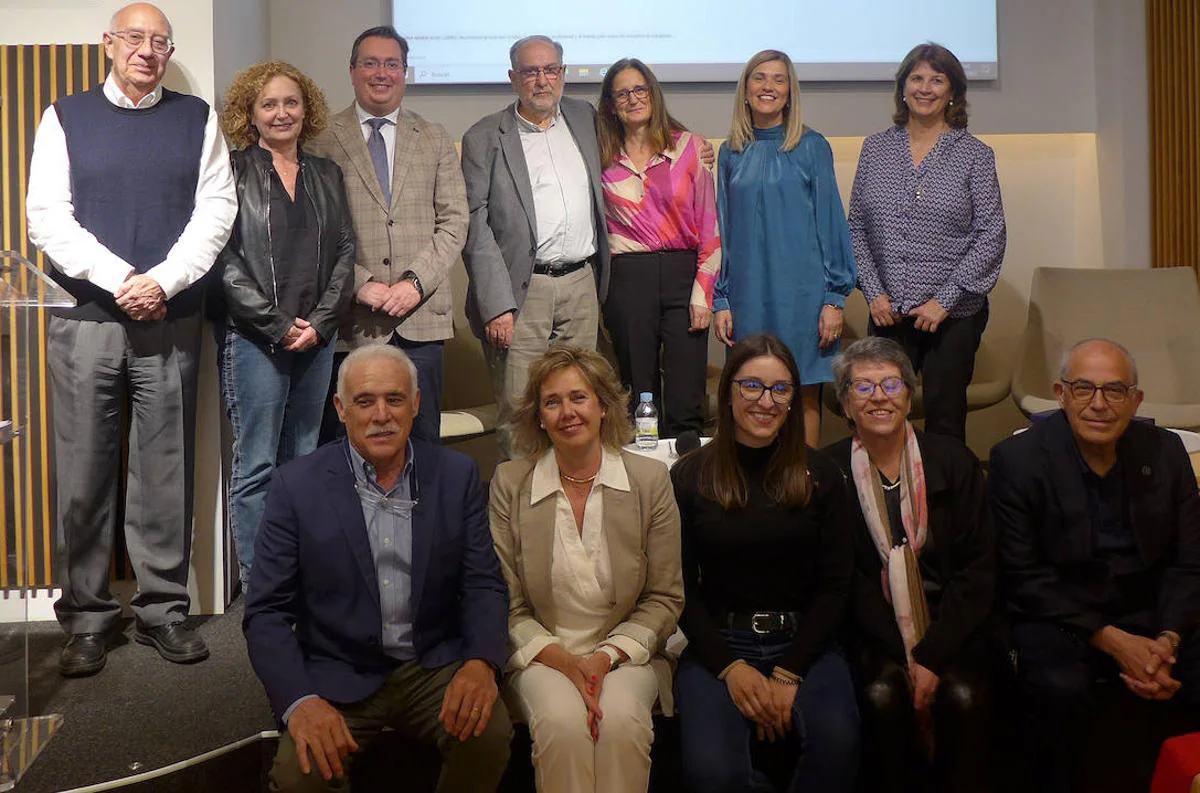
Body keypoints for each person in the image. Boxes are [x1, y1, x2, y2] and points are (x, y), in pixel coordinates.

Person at [26, 1, 236, 676]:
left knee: (165, 473)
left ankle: (161, 611)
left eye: (161, 42)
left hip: (170, 318)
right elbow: (46, 218)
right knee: (83, 472)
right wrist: (123, 279)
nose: (148, 51)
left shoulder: (197, 120)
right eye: (136, 39)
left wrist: (164, 282)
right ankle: (87, 617)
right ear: (108, 44)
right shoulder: (63, 116)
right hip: (86, 321)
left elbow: (217, 209)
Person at [244, 345, 513, 792]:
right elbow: (266, 614)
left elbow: (483, 582)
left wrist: (482, 662)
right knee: (300, 775)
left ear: (417, 404)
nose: (382, 415)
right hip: (336, 669)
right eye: (365, 401)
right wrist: (300, 701)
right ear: (341, 409)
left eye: (395, 399)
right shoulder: (296, 486)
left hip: (430, 665)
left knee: (490, 734)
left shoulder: (456, 475)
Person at [990, 338, 1200, 792]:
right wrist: (1116, 642)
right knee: (1060, 689)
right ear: (1060, 394)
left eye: (1115, 390)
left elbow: (1189, 563)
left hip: (1152, 613)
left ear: (1136, 399)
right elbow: (1024, 578)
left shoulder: (1165, 452)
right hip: (1062, 615)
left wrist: (1167, 640)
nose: (1099, 404)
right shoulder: (1017, 461)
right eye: (1083, 388)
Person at [489, 345, 683, 792]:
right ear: (538, 416)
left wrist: (601, 659)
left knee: (621, 725)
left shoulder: (649, 482)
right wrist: (566, 662)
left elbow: (665, 597)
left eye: (578, 397)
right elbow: (506, 600)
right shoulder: (510, 483)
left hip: (625, 655)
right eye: (552, 402)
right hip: (541, 655)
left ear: (603, 406)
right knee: (561, 725)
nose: (567, 412)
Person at [671, 333, 859, 793]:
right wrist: (731, 668)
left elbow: (837, 585)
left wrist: (789, 670)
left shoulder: (822, 475)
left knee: (839, 744)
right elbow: (677, 587)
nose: (765, 401)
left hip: (806, 644)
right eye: (751, 386)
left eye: (780, 389)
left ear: (794, 399)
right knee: (712, 773)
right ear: (729, 392)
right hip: (718, 644)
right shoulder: (691, 475)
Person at [824, 337, 997, 793]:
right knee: (882, 695)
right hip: (872, 631)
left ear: (909, 393)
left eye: (891, 383)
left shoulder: (954, 461)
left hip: (953, 626)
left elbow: (978, 571)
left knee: (961, 696)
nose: (879, 397)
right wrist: (904, 656)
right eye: (862, 388)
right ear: (844, 404)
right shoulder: (828, 472)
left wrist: (931, 655)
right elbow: (846, 581)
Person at [215, 60, 355, 591]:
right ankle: (262, 582)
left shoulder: (326, 174)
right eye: (269, 104)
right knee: (256, 465)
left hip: (317, 339)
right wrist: (277, 325)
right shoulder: (230, 171)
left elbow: (345, 251)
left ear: (307, 109)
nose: (281, 113)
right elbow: (223, 259)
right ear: (250, 114)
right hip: (256, 340)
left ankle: (305, 574)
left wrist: (318, 325)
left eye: (290, 102)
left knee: (305, 460)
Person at [310, 25, 467, 445]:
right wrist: (362, 286)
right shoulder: (321, 140)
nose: (382, 73)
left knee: (423, 443)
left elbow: (454, 222)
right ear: (352, 71)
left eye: (392, 64)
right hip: (352, 321)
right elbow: (316, 232)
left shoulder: (434, 137)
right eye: (371, 63)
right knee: (350, 444)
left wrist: (415, 284)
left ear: (405, 72)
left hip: (422, 319)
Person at [460, 35, 610, 459]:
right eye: (531, 71)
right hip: (521, 293)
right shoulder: (484, 137)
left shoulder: (584, 117)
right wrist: (496, 304)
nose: (542, 80)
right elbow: (474, 224)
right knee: (521, 408)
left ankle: (573, 501)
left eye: (551, 70)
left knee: (579, 403)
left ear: (563, 74)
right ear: (513, 78)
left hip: (582, 282)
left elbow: (643, 130)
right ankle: (524, 512)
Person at [847, 42, 1006, 442]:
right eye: (917, 78)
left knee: (945, 419)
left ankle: (943, 502)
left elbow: (991, 233)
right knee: (879, 415)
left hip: (951, 315)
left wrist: (944, 301)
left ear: (953, 91)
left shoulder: (975, 155)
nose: (925, 88)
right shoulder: (875, 148)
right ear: (903, 87)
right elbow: (856, 228)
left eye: (937, 80)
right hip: (888, 311)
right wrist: (874, 292)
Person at [714, 49, 855, 446]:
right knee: (748, 394)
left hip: (803, 297)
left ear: (790, 92)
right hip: (747, 296)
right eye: (759, 78)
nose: (768, 87)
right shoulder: (730, 152)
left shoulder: (812, 147)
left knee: (801, 393)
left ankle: (804, 490)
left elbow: (831, 224)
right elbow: (721, 230)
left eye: (778, 79)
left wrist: (834, 298)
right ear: (745, 90)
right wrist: (721, 300)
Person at [596, 58, 720, 437]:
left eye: (640, 89)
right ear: (611, 104)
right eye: (622, 93)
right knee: (639, 393)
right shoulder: (599, 155)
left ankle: (687, 485)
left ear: (653, 93)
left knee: (686, 393)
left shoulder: (690, 148)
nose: (633, 99)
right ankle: (646, 484)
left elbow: (710, 227)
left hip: (685, 277)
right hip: (628, 280)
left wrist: (703, 295)